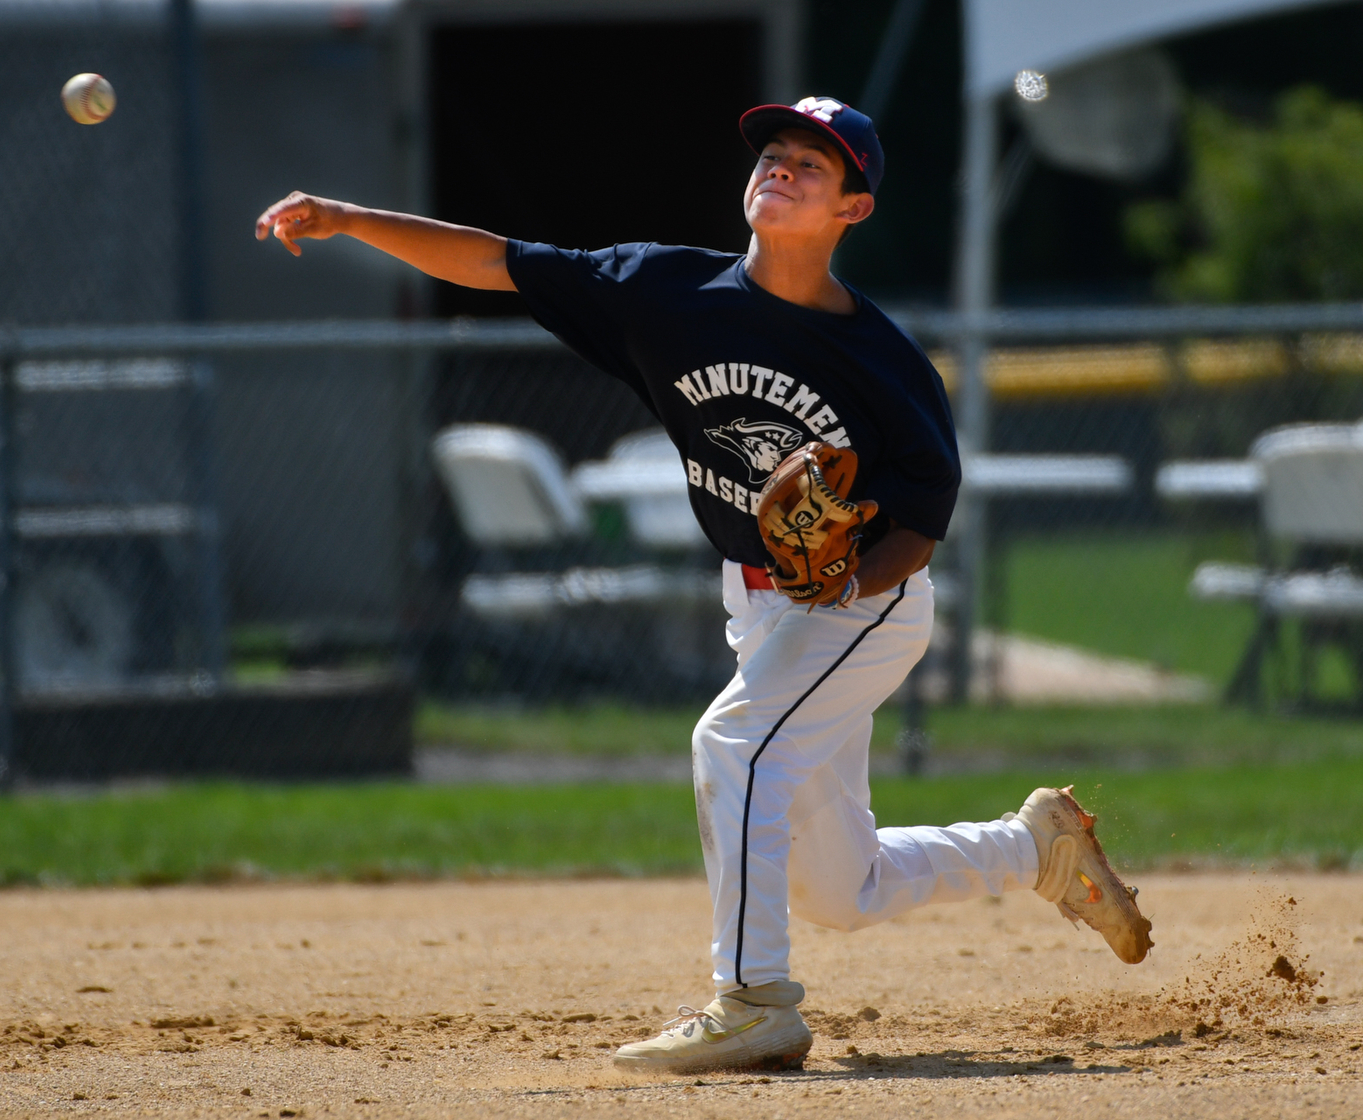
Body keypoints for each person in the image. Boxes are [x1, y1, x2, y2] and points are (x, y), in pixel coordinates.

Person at [255, 95, 1153, 1075]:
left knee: (733, 744)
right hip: (757, 601)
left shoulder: (880, 360)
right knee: (837, 887)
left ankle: (753, 1002)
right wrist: (349, 219)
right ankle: (1036, 847)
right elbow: (498, 261)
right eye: (774, 152)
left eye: (814, 164)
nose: (782, 167)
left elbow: (922, 521)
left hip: (862, 608)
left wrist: (848, 575)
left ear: (852, 209)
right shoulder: (665, 292)